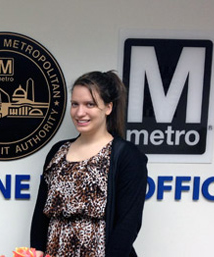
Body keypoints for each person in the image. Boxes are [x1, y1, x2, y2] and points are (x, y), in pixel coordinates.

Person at [30, 71, 148, 257]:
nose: (79, 112)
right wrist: (36, 251)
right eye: (75, 104)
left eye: (89, 104)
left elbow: (128, 224)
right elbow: (41, 215)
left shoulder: (127, 156)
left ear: (108, 107)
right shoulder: (57, 152)